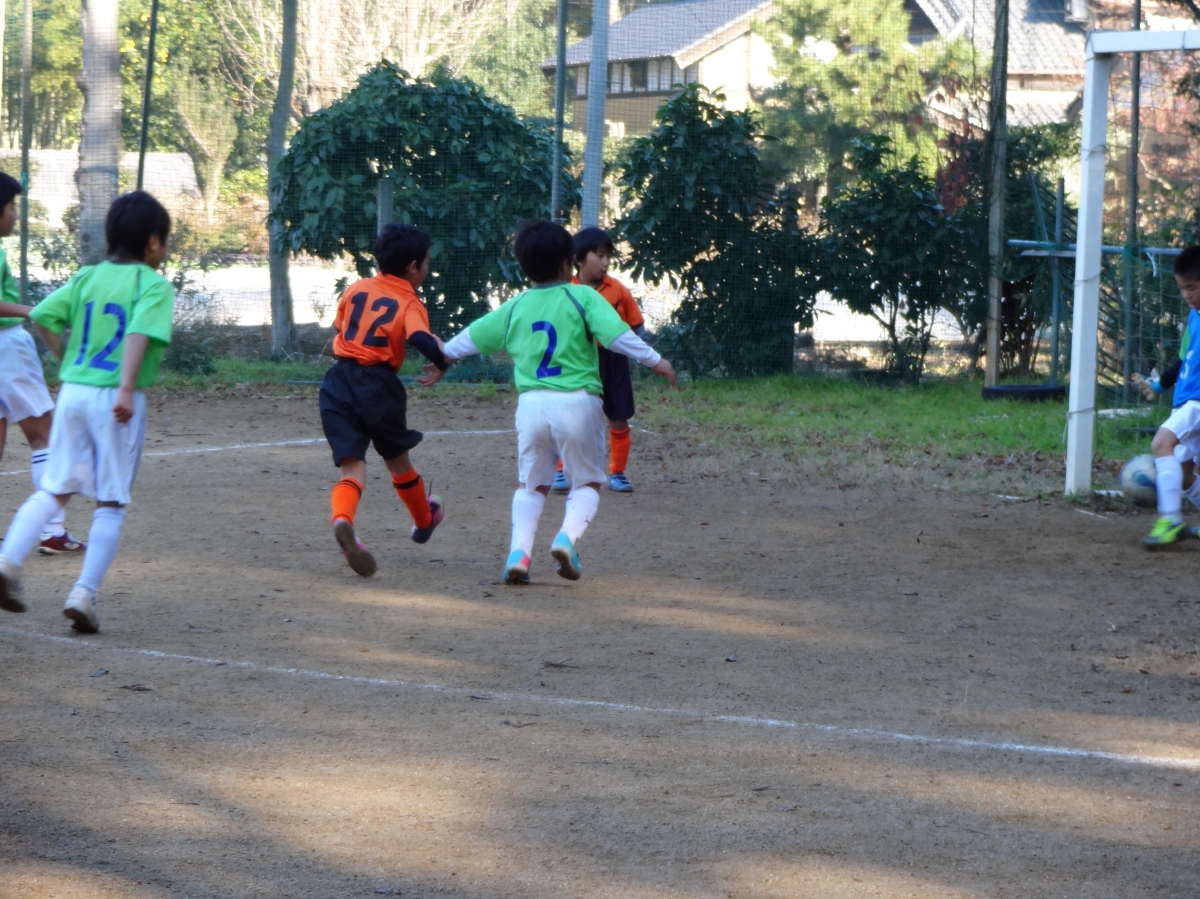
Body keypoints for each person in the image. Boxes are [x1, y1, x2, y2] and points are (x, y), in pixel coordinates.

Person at [440, 219, 675, 585]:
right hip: (577, 403)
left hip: (531, 406)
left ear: (523, 266)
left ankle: (519, 553)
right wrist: (656, 360)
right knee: (587, 483)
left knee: (531, 486)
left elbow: (472, 337)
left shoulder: (516, 306)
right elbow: (619, 337)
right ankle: (565, 538)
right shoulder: (584, 297)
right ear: (569, 263)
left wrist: (442, 356)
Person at [0, 191, 175, 631]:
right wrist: (126, 388)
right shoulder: (152, 285)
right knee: (111, 502)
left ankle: (6, 562)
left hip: (74, 391)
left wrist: (67, 359)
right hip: (115, 398)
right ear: (153, 242)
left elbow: (43, 316)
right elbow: (137, 333)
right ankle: (83, 594)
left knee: (53, 490)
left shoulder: (86, 276)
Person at [319, 222, 448, 578]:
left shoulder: (357, 288)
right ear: (413, 266)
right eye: (427, 262)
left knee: (351, 467)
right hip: (378, 385)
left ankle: (343, 519)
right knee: (398, 462)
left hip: (337, 381)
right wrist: (442, 360)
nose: (427, 268)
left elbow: (340, 327)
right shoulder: (410, 300)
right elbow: (419, 338)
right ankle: (424, 519)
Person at [0, 171, 86, 554]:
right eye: (10, 207)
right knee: (44, 436)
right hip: (7, 347)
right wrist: (32, 310)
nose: (15, 215)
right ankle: (52, 529)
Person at [551, 226, 651, 495]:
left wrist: (647, 354)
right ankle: (561, 470)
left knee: (618, 417)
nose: (606, 262)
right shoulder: (565, 290)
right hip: (578, 359)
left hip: (613, 360)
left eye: (608, 255)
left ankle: (617, 473)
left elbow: (636, 326)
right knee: (570, 417)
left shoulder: (618, 290)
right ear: (578, 260)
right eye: (599, 255)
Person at [1142, 245, 1200, 548]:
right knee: (1184, 472)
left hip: (1197, 403)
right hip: (1186, 400)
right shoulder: (1194, 317)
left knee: (1161, 444)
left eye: (1192, 287)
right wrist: (1159, 385)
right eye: (1182, 288)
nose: (1186, 295)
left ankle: (1170, 520)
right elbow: (1183, 359)